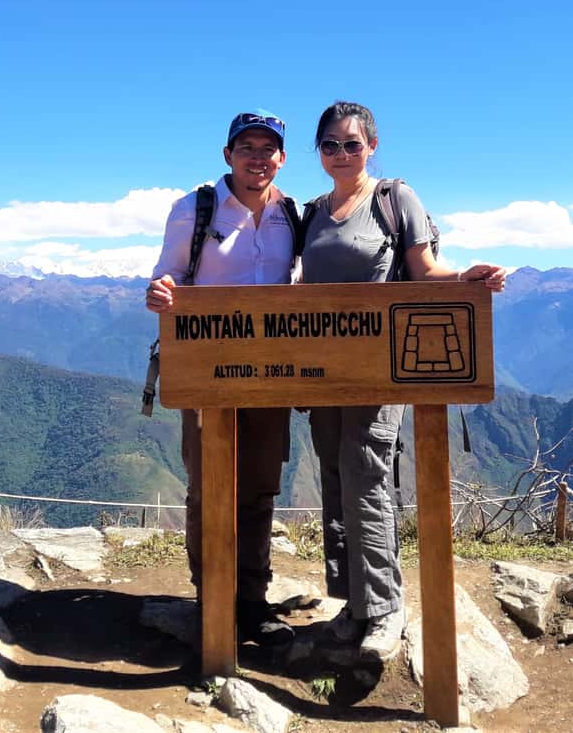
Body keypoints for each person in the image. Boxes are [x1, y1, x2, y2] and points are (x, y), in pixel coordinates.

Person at [301, 101, 506, 660]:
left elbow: (425, 269)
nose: (341, 154)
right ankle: (353, 604)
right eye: (329, 145)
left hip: (380, 369)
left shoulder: (394, 200)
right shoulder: (313, 212)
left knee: (367, 478)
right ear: (318, 152)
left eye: (351, 143)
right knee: (336, 478)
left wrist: (465, 277)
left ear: (372, 145)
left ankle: (385, 608)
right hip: (325, 373)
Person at [146, 112, 297, 647]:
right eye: (247, 146)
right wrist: (161, 292)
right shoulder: (195, 208)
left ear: (282, 158)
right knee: (208, 488)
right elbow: (167, 275)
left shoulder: (292, 214)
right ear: (228, 154)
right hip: (207, 369)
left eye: (269, 148)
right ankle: (211, 596)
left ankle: (252, 603)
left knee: (258, 489)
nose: (258, 157)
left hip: (273, 371)